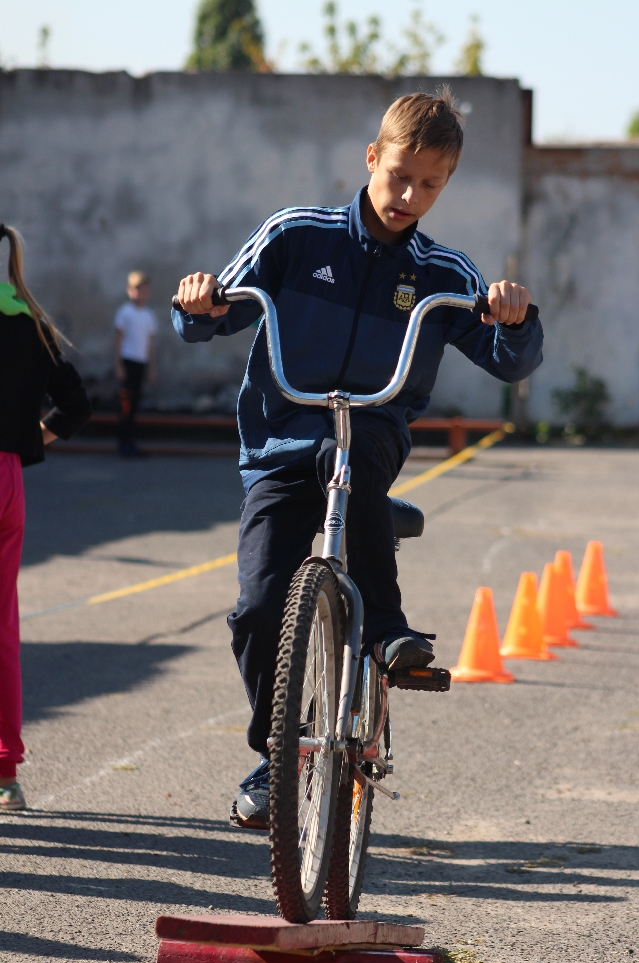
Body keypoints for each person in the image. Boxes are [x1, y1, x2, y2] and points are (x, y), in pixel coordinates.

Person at [172, 89, 544, 829]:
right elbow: (214, 314)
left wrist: (515, 318)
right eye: (399, 176)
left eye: (430, 185)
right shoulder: (296, 237)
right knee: (258, 608)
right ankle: (278, 754)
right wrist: (198, 301)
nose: (409, 196)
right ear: (372, 158)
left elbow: (508, 361)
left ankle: (388, 630)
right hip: (282, 441)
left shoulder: (442, 271)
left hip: (369, 429)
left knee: (354, 457)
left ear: (445, 185)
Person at [0, 224, 92, 811]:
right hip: (8, 479)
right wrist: (29, 439)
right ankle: (5, 772)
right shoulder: (31, 320)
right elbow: (76, 405)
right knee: (3, 628)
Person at [114, 270, 157, 457]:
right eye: (137, 289)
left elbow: (149, 344)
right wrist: (118, 365)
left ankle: (131, 443)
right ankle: (123, 443)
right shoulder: (125, 312)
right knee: (126, 406)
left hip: (141, 363)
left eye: (144, 289)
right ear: (130, 290)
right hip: (128, 362)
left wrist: (152, 367)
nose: (140, 293)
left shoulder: (148, 315)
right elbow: (118, 340)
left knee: (136, 404)